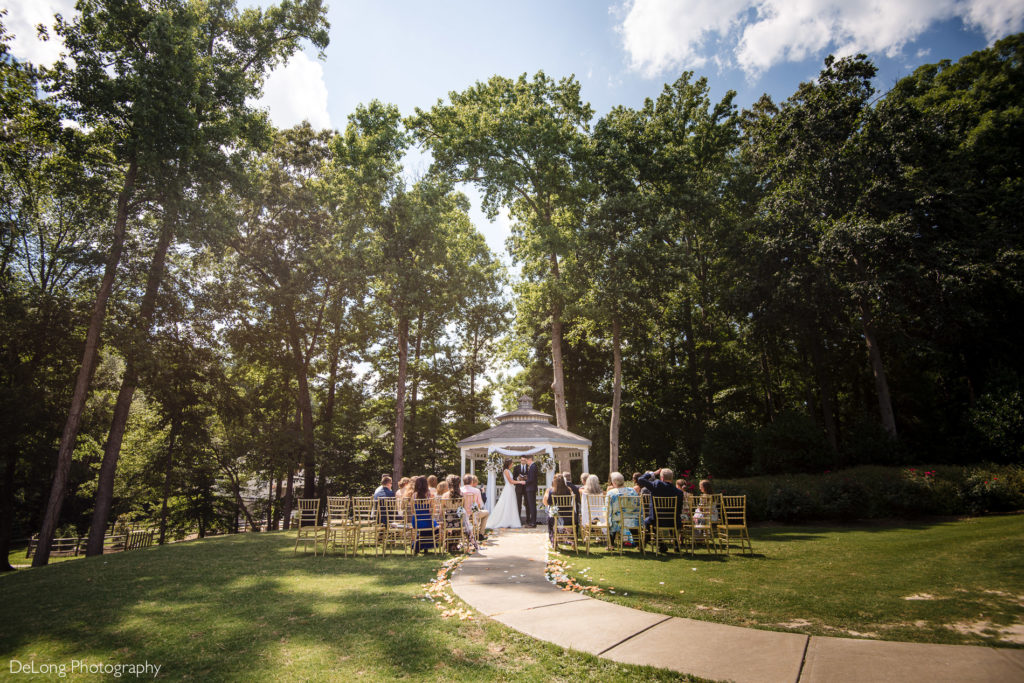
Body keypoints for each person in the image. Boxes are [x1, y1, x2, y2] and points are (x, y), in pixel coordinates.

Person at [638, 468, 689, 551]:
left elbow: (640, 479)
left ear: (661, 478)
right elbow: (679, 509)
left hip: (656, 520)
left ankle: (660, 543)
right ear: (672, 479)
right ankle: (676, 545)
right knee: (671, 519)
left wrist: (652, 473)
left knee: (647, 522)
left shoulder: (656, 485)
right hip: (673, 521)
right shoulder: (679, 492)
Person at [486, 459, 523, 530]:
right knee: (506, 504)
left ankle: (510, 520)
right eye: (512, 463)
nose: (512, 465)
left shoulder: (508, 471)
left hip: (511, 489)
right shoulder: (506, 471)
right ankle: (504, 521)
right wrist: (520, 482)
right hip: (508, 488)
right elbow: (510, 481)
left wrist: (518, 479)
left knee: (511, 504)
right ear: (509, 464)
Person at [606, 472, 639, 547]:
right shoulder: (632, 491)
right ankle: (638, 544)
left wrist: (607, 520)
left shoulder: (611, 493)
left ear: (613, 482)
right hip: (632, 519)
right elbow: (638, 505)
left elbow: (608, 509)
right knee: (631, 523)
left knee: (612, 521)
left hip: (618, 520)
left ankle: (611, 545)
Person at [410, 476, 437, 554]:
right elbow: (432, 510)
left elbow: (412, 511)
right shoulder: (430, 495)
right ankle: (425, 546)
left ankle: (418, 545)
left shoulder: (413, 496)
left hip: (416, 521)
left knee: (424, 527)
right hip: (427, 520)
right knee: (435, 526)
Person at [543, 475, 573, 545]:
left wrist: (546, 493)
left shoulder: (551, 490)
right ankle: (567, 538)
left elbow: (546, 503)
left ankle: (553, 538)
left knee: (550, 515)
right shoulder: (569, 490)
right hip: (568, 516)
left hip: (555, 517)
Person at [461, 474, 489, 542]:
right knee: (487, 513)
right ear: (471, 481)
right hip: (474, 513)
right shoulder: (476, 490)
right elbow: (480, 504)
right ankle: (480, 534)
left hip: (463, 514)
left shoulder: (460, 490)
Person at [522, 455, 539, 527]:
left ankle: (533, 523)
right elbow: (531, 477)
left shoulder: (533, 466)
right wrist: (526, 477)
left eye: (527, 460)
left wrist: (525, 481)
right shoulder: (532, 466)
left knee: (532, 506)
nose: (526, 462)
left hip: (531, 489)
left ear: (530, 459)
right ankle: (532, 522)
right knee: (532, 506)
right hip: (531, 488)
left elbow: (532, 479)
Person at [512, 455, 529, 522]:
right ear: (520, 460)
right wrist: (518, 478)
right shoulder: (516, 467)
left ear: (526, 461)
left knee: (527, 504)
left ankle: (528, 520)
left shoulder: (529, 467)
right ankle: (518, 520)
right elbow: (513, 478)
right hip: (518, 488)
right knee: (518, 504)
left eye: (524, 460)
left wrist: (526, 478)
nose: (523, 461)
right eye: (522, 460)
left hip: (527, 488)